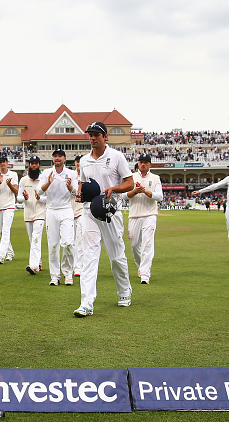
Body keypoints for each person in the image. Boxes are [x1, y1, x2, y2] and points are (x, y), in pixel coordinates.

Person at [73, 122, 133, 317]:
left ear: (105, 136)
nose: (92, 138)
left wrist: (113, 189)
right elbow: (83, 184)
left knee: (116, 256)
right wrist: (79, 194)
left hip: (110, 210)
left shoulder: (116, 157)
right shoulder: (84, 161)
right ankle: (86, 303)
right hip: (89, 211)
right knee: (89, 256)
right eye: (90, 135)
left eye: (96, 135)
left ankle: (124, 292)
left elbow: (130, 183)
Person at [37, 149, 78, 286]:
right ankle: (55, 276)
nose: (57, 158)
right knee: (53, 245)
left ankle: (68, 273)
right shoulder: (47, 173)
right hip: (51, 210)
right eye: (55, 156)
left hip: (66, 210)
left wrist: (70, 186)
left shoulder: (71, 173)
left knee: (68, 243)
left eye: (60, 156)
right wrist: (48, 183)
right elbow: (38, 191)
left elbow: (77, 193)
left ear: (65, 159)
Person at [122, 154, 163, 285]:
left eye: (146, 162)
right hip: (134, 215)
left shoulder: (155, 178)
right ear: (138, 164)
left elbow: (160, 196)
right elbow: (123, 196)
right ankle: (141, 266)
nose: (143, 164)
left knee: (147, 244)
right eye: (141, 162)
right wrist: (135, 191)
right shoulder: (132, 178)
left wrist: (146, 192)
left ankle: (145, 274)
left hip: (150, 215)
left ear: (150, 164)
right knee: (134, 244)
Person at [17, 155, 46, 275]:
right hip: (28, 213)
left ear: (39, 165)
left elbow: (48, 198)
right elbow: (18, 198)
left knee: (35, 238)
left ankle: (33, 265)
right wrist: (23, 198)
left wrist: (40, 198)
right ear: (29, 165)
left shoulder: (44, 180)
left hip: (40, 213)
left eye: (36, 163)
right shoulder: (23, 180)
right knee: (32, 239)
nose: (33, 166)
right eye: (31, 163)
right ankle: (38, 262)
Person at [0, 154, 19, 264]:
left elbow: (16, 191)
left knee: (5, 230)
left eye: (4, 161)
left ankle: (1, 256)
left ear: (7, 163)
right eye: (0, 162)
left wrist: (9, 184)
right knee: (1, 231)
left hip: (9, 206)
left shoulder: (13, 174)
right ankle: (10, 252)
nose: (2, 163)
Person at [72, 155, 84, 277]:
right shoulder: (70, 175)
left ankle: (78, 267)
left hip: (82, 210)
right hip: (70, 211)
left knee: (80, 239)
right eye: (77, 161)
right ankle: (71, 265)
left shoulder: (87, 175)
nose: (78, 163)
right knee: (70, 241)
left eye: (80, 161)